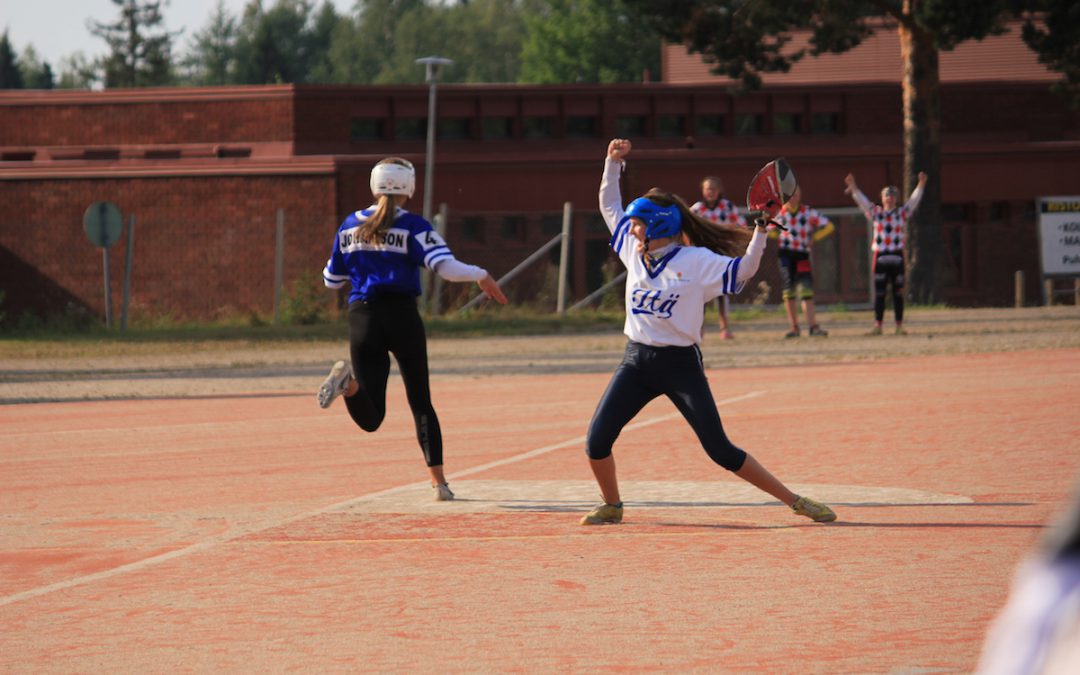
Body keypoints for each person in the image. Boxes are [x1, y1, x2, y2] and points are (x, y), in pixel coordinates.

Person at [580, 138, 837, 526]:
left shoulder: (695, 261)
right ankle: (613, 505)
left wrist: (761, 231)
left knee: (720, 451)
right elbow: (609, 207)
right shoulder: (635, 253)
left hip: (679, 364)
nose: (630, 230)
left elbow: (745, 271)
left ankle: (795, 500)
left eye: (638, 224)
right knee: (596, 442)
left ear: (658, 226)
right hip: (635, 361)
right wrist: (612, 165)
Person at [317, 157, 508, 501]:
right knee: (420, 401)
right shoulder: (415, 227)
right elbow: (446, 268)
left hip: (361, 317)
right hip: (401, 316)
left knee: (372, 417)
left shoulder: (348, 226)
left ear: (374, 185)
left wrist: (363, 263)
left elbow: (332, 280)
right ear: (409, 187)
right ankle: (439, 483)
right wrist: (481, 274)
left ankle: (347, 385)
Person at [844, 171, 927, 335]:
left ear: (896, 198)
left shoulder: (902, 213)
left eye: (892, 195)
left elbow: (913, 202)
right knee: (880, 293)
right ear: (882, 198)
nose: (889, 198)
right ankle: (878, 325)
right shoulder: (877, 213)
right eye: (886, 195)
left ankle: (898, 325)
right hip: (881, 256)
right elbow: (863, 202)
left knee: (898, 292)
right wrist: (854, 188)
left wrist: (921, 185)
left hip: (897, 256)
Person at [768, 187, 835, 338]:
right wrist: (778, 236)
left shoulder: (808, 212)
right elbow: (767, 230)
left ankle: (813, 326)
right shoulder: (779, 213)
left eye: (796, 195)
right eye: (790, 196)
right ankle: (794, 327)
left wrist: (815, 238)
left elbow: (829, 226)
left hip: (802, 254)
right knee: (788, 291)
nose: (793, 198)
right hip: (785, 255)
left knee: (807, 291)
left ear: (800, 196)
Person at [691, 176, 746, 340]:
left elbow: (740, 224)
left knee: (722, 290)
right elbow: (687, 227)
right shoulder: (697, 209)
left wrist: (728, 231)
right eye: (708, 188)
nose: (710, 192)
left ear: (719, 190)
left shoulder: (727, 207)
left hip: (721, 252)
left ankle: (724, 327)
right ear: (703, 190)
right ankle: (698, 328)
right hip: (702, 253)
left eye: (713, 189)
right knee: (700, 292)